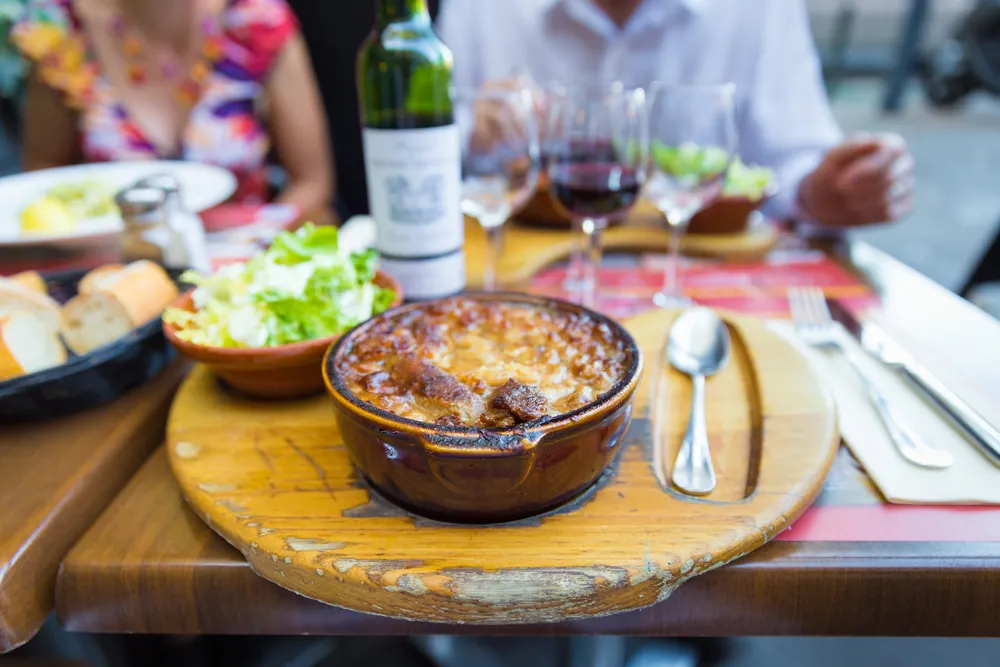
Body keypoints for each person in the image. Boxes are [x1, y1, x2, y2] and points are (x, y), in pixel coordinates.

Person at [437, 0, 915, 230]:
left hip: (710, 285)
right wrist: (469, 137)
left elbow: (793, 165)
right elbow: (424, 157)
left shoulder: (761, 10)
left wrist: (825, 191)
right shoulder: (481, 9)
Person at [13, 0, 334, 219]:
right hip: (116, 276)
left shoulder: (255, 17)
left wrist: (257, 243)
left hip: (242, 272)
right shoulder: (58, 28)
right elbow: (44, 178)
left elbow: (312, 183)